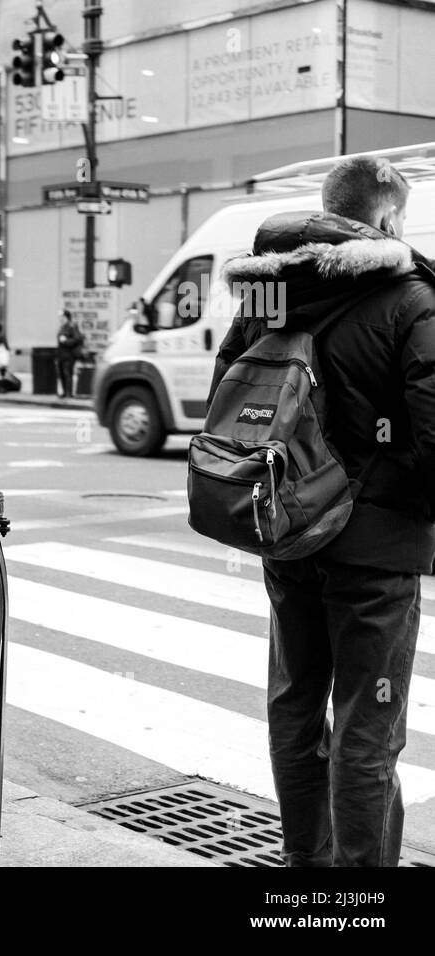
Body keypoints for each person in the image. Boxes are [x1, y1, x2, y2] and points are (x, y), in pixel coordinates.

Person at [211, 155, 435, 866]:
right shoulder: (411, 296)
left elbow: (228, 407)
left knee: (296, 706)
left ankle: (305, 873)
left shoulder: (267, 290)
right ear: (389, 217)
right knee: (367, 726)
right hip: (376, 549)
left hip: (289, 532)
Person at [56, 309, 84, 398]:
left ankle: (69, 393)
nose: (60, 319)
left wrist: (66, 341)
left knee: (67, 373)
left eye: (62, 317)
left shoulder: (72, 326)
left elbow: (78, 339)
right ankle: (64, 392)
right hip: (61, 354)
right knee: (62, 374)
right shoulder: (62, 327)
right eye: (60, 317)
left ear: (66, 317)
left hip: (69, 355)